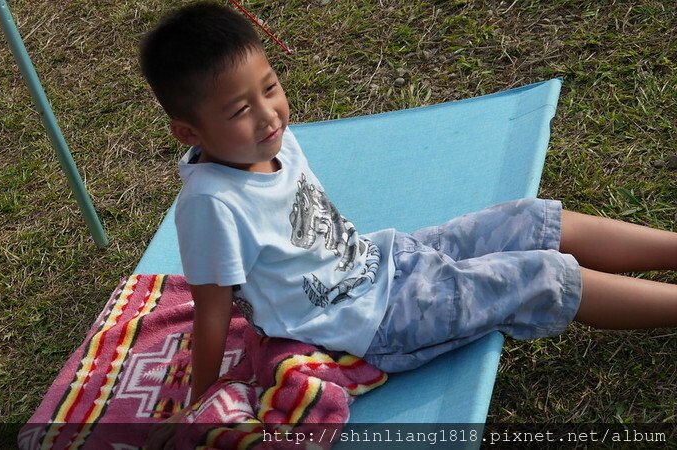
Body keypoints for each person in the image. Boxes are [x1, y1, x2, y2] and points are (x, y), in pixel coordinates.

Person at [139, 2, 677, 447]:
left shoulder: (267, 140)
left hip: (384, 260)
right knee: (538, 274)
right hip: (369, 323)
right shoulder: (210, 206)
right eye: (240, 109)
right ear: (189, 131)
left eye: (271, 86)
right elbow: (211, 311)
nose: (269, 114)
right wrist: (201, 401)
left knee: (528, 217)